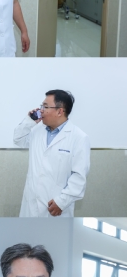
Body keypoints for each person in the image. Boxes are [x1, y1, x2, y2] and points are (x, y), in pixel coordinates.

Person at [14, 90, 90, 218]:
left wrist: (62, 202)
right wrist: (29, 120)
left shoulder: (79, 138)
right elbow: (18, 139)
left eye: (45, 106)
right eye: (41, 106)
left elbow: (79, 176)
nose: (41, 110)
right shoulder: (37, 131)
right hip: (30, 205)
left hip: (55, 208)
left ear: (60, 111)